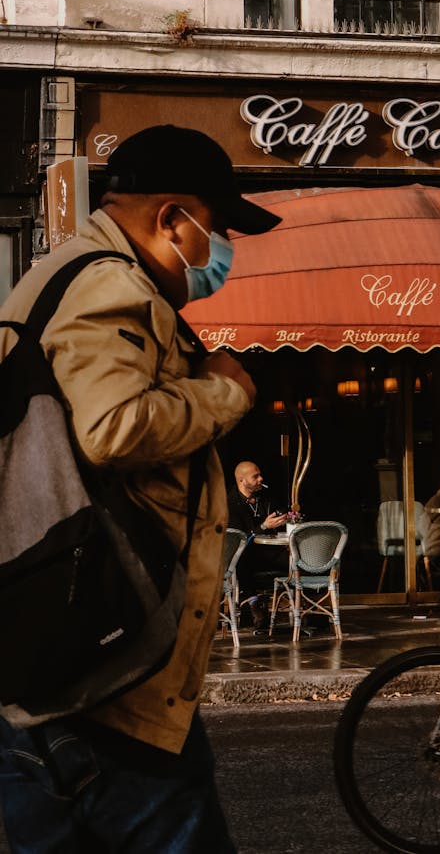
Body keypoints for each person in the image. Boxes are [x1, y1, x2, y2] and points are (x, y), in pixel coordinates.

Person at [0, 124, 281, 852]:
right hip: (111, 677)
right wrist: (224, 393)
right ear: (171, 219)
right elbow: (114, 427)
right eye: (215, 230)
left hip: (40, 657)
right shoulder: (110, 283)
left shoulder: (53, 279)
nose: (219, 252)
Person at [227, 461, 288, 631]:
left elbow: (279, 513)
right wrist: (263, 527)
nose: (261, 479)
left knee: (297, 561)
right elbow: (237, 538)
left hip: (268, 551)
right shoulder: (230, 503)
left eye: (260, 474)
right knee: (243, 560)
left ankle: (308, 608)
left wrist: (284, 518)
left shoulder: (266, 497)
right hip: (244, 554)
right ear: (242, 480)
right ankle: (254, 606)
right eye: (255, 476)